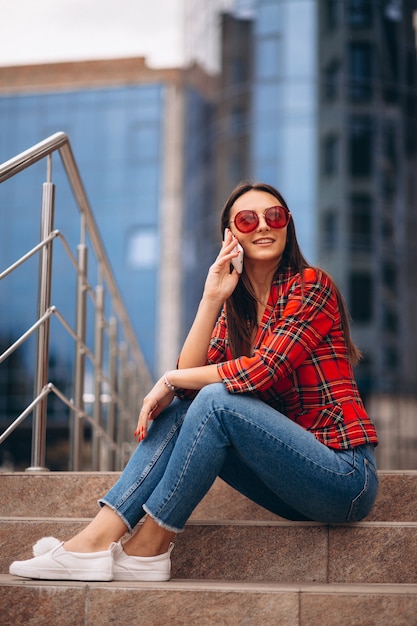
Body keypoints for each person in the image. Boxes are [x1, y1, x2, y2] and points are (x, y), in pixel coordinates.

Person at [10, 181, 379, 582]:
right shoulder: (236, 311)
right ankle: (105, 538)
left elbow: (261, 370)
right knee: (193, 405)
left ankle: (145, 544)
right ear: (230, 234)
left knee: (216, 400)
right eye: (247, 219)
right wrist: (211, 297)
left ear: (287, 224)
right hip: (286, 483)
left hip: (343, 478)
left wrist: (166, 379)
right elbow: (189, 391)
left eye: (274, 216)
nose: (263, 226)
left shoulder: (311, 286)